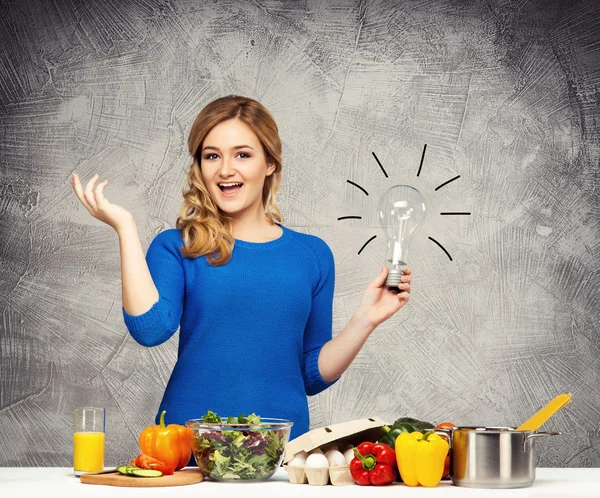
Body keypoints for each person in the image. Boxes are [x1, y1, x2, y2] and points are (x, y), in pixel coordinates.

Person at [68, 95, 412, 444]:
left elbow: (309, 375)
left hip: (279, 455)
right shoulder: (178, 246)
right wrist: (125, 227)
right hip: (188, 451)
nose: (225, 169)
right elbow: (151, 329)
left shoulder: (313, 255)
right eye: (212, 155)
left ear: (270, 164)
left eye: (242, 155)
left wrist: (365, 320)